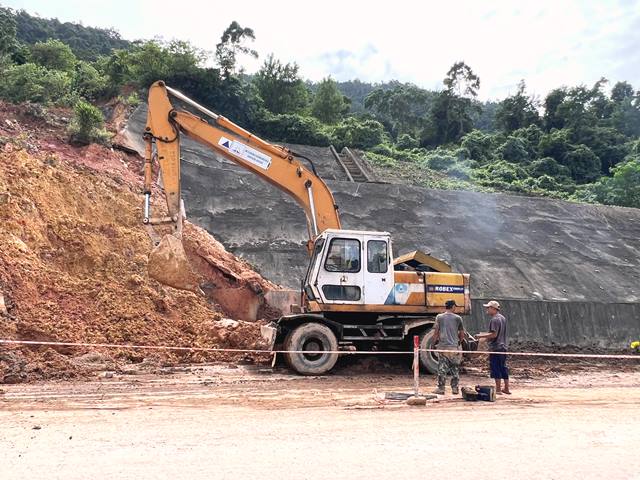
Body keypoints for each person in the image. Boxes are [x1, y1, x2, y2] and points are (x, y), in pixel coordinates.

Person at [476, 300, 511, 395]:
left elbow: (494, 335)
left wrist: (482, 336)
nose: (487, 309)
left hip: (496, 347)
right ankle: (506, 388)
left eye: (488, 308)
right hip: (503, 347)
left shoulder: (494, 320)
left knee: (496, 368)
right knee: (503, 367)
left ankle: (499, 389)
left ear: (493, 309)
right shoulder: (502, 318)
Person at [431, 299, 465, 395]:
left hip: (442, 347)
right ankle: (455, 389)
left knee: (442, 368)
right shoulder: (458, 318)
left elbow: (436, 332)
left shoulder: (439, 317)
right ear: (453, 306)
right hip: (453, 348)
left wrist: (433, 344)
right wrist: (458, 342)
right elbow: (462, 334)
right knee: (454, 369)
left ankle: (441, 388)